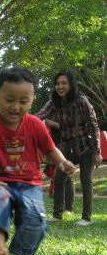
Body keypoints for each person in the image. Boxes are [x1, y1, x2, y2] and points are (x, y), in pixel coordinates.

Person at [0, 67, 75, 255]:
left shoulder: (35, 124)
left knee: (35, 219)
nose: (15, 107)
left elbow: (49, 148)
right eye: (9, 100)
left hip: (30, 183)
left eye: (23, 101)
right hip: (0, 182)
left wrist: (62, 162)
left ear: (32, 100)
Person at [35, 70, 102, 226]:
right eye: (58, 83)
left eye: (64, 83)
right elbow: (41, 114)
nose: (60, 86)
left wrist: (98, 151)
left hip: (86, 144)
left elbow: (93, 125)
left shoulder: (81, 100)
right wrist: (23, 117)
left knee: (86, 180)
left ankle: (86, 218)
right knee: (58, 178)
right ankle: (57, 214)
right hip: (66, 144)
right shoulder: (54, 101)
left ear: (71, 84)